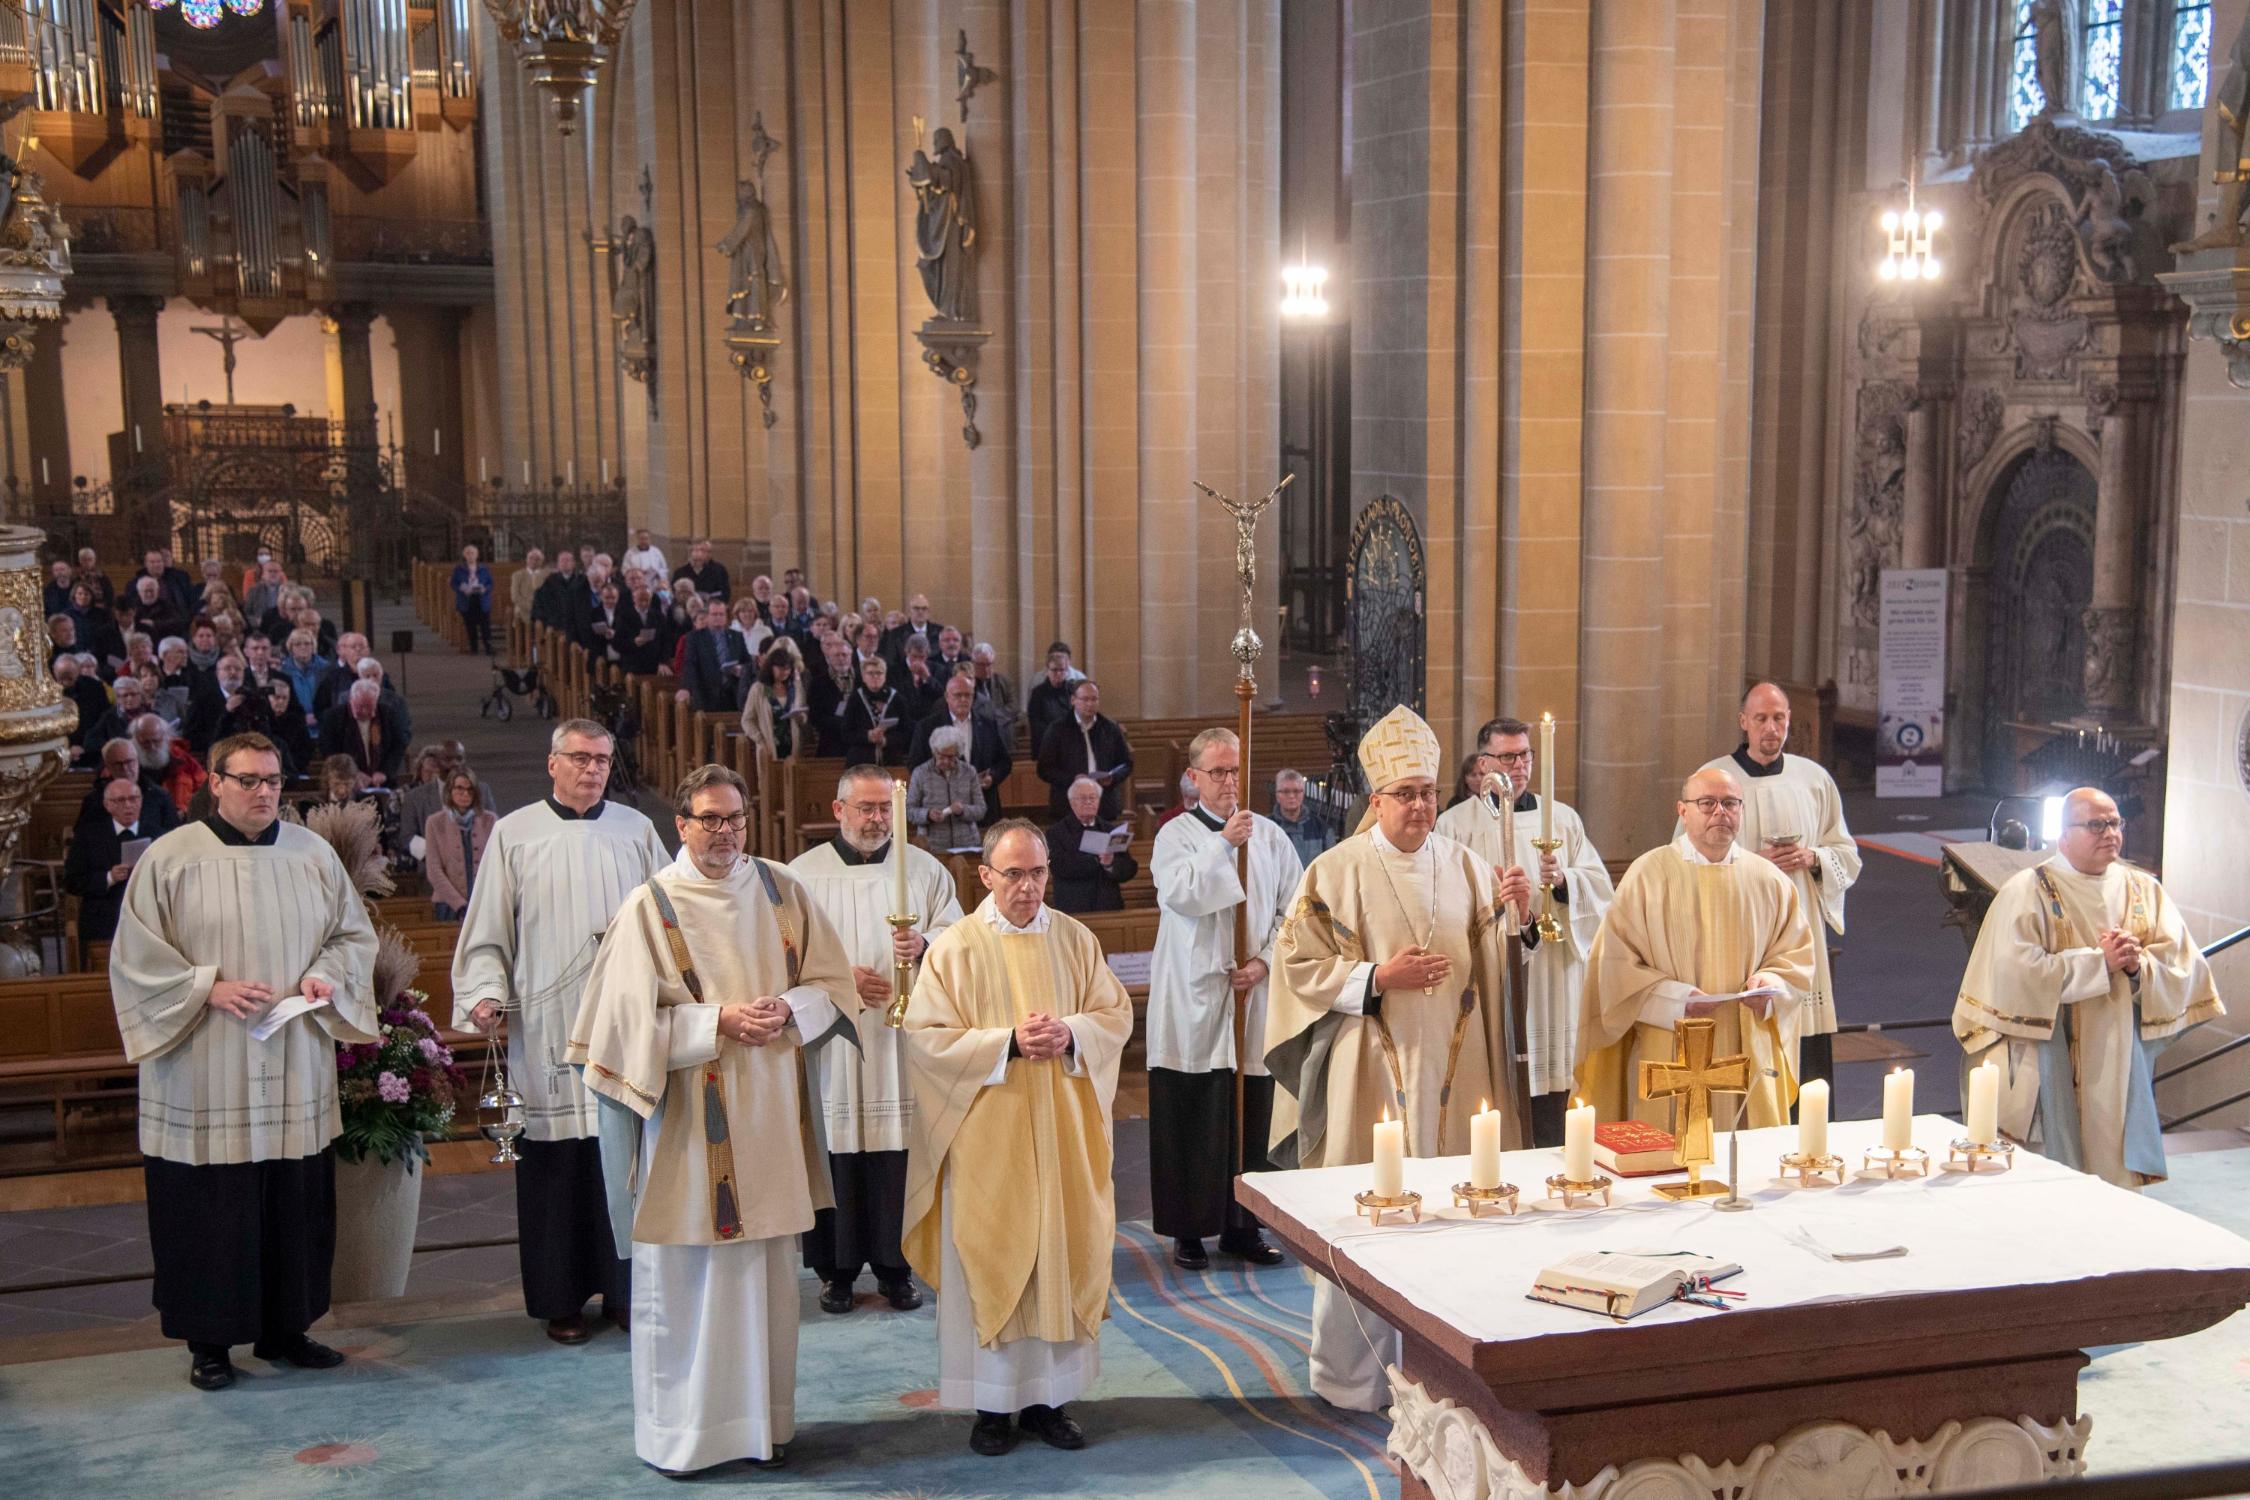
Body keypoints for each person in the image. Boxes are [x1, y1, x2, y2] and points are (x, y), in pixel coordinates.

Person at [572, 763, 856, 1476]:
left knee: (764, 1279)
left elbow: (833, 984)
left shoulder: (783, 891)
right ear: (682, 824)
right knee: (690, 1280)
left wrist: (788, 1009)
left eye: (734, 819)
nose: (724, 833)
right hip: (687, 1123)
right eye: (709, 819)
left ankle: (762, 1427)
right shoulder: (651, 906)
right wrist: (716, 1022)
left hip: (769, 1114)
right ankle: (685, 1438)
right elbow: (617, 1025)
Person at [1263, 705, 1522, 1412]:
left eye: (1428, 793)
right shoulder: (1334, 870)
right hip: (1367, 1068)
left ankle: (1445, 1375)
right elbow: (1296, 965)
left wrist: (1515, 918)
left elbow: (1491, 972)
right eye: (1404, 794)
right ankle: (1353, 1379)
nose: (1419, 806)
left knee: (1451, 1219)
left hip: (1457, 1069)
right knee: (1365, 1220)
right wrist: (1377, 977)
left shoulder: (1468, 866)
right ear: (1374, 800)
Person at [108, 732, 378, 1392]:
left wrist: (324, 975)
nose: (264, 792)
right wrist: (206, 987)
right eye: (249, 780)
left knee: (293, 1199)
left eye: (274, 781)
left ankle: (288, 1330)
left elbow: (352, 936)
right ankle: (210, 1343)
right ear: (217, 784)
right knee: (212, 1207)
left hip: (292, 1057)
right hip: (206, 1061)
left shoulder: (311, 853)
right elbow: (135, 959)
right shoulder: (171, 857)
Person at [900, 818, 1133, 1456]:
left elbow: (1115, 1014)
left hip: (1063, 1136)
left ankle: (1049, 1402)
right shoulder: (956, 948)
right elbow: (925, 1038)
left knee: (1059, 1251)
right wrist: (1005, 1042)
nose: (1028, 888)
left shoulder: (1076, 939)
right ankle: (991, 1407)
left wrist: (1073, 1034)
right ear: (984, 876)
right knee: (995, 1254)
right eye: (1013, 874)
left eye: (1037, 873)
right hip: (988, 1143)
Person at [454, 720, 667, 1345]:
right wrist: (486, 992)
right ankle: (562, 1299)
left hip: (623, 1022)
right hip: (547, 1023)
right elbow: (489, 925)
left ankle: (629, 1290)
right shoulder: (515, 833)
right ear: (553, 763)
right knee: (557, 1164)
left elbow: (670, 914)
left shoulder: (636, 830)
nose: (592, 769)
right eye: (580, 758)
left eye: (603, 759)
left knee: (627, 1158)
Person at [1951, 786, 2223, 1189]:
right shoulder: (2027, 891)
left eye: (2115, 822)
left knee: (2114, 1178)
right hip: (2050, 1058)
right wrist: (2099, 963)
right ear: (2062, 834)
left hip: (2119, 1058)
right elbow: (2011, 975)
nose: (2110, 832)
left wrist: (2137, 968)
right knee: (2051, 1179)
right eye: (2096, 825)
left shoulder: (2143, 890)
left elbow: (2186, 968)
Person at [789, 765, 964, 1316]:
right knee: (833, 1148)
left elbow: (960, 940)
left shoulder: (926, 870)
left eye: (885, 808)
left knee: (898, 1150)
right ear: (838, 810)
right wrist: (843, 979)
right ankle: (835, 1272)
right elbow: (781, 954)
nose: (876, 819)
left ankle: (898, 1266)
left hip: (898, 1041)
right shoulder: (802, 875)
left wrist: (928, 942)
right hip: (832, 1041)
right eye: (865, 808)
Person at [1574, 766, 1818, 1136]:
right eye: (1707, 803)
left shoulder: (1768, 879)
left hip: (1743, 1041)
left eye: (1730, 803)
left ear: (1741, 809)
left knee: (1742, 1161)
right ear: (1682, 811)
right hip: (1669, 1042)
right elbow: (1614, 966)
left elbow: (1796, 956)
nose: (1720, 812)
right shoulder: (1648, 875)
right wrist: (1675, 999)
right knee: (1669, 1153)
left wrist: (1770, 984)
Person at [1146, 728, 1296, 1270]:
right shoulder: (1177, 836)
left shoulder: (1274, 839)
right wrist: (1224, 843)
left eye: (1235, 770)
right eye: (1217, 772)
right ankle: (1189, 1230)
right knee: (1193, 1110)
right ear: (1194, 778)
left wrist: (1262, 964)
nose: (1229, 781)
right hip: (1192, 998)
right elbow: (1181, 895)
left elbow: (1295, 916)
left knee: (1248, 1115)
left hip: (1252, 993)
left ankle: (1244, 1227)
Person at [1435, 717, 1613, 1145]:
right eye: (1508, 756)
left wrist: (1567, 880)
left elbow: (1602, 890)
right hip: (1497, 974)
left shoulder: (1564, 820)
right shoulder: (1457, 825)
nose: (1519, 765)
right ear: (1484, 763)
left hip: (1556, 975)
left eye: (1525, 755)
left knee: (1557, 1088)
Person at [1683, 683, 1859, 1088]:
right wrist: (1750, 864)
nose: (1771, 728)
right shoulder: (1713, 781)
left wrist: (1813, 858)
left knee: (1809, 1068)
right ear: (1743, 722)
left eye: (1779, 718)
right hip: (1742, 932)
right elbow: (1685, 860)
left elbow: (1846, 852)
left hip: (1801, 930)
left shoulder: (1814, 779)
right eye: (1761, 718)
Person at [909, 672, 1012, 824]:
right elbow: (915, 765)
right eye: (958, 695)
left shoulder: (988, 725)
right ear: (947, 696)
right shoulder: (926, 727)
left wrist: (992, 777)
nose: (963, 700)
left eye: (968, 695)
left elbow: (1004, 761)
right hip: (941, 809)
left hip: (982, 805)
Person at [64, 776, 152, 948]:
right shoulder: (88, 836)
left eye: (133, 799)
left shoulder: (158, 834)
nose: (128, 805)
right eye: (120, 800)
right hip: (105, 917)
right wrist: (109, 877)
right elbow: (72, 882)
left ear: (141, 801)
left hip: (148, 917)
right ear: (107, 805)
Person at [1036, 679, 1133, 821]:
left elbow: (1126, 763)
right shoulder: (1057, 729)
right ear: (1073, 700)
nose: (1090, 704)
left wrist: (1113, 777)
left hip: (1104, 804)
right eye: (1085, 699)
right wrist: (1072, 779)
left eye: (1094, 699)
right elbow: (1044, 769)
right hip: (1068, 806)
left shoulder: (1110, 728)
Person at [1045, 776, 1138, 913]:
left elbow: (1129, 869)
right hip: (1074, 908)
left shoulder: (1110, 830)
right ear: (1072, 802)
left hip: (1109, 907)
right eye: (1083, 798)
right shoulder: (1056, 833)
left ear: (1099, 802)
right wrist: (1096, 860)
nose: (1088, 802)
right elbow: (1060, 867)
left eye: (1093, 798)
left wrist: (1110, 864)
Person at [424, 769, 494, 922]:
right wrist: (460, 904)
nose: (465, 794)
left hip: (484, 903)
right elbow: (434, 870)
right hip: (449, 905)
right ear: (449, 790)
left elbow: (496, 865)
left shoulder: (489, 820)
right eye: (460, 788)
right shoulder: (435, 822)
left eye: (470, 789)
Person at [317, 680, 405, 788]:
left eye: (369, 706)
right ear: (351, 699)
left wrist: (384, 772)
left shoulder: (387, 714)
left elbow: (398, 745)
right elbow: (328, 749)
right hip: (346, 782)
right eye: (360, 706)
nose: (364, 711)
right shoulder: (333, 717)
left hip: (383, 782)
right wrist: (353, 772)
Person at [908, 726, 984, 851]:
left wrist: (962, 811)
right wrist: (928, 814)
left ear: (958, 754)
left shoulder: (969, 772)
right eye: (941, 756)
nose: (945, 761)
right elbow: (909, 810)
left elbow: (981, 809)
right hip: (932, 846)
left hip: (967, 844)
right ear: (934, 751)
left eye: (950, 757)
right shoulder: (920, 773)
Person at [674, 598, 745, 713]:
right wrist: (685, 687)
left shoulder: (737, 636)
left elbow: (746, 662)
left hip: (734, 694)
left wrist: (741, 669)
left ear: (726, 617)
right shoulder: (694, 638)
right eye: (714, 614)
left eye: (721, 614)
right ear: (707, 617)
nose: (718, 617)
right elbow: (689, 665)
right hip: (706, 695)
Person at [841, 654, 909, 766]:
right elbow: (846, 733)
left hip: (891, 759)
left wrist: (886, 740)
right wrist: (868, 735)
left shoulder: (897, 699)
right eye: (871, 673)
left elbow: (906, 731)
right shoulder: (855, 699)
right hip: (860, 760)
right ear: (863, 677)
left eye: (879, 673)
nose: (875, 677)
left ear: (885, 676)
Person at [742, 649, 808, 763]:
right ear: (771, 667)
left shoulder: (795, 687)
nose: (785, 672)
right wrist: (761, 741)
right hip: (768, 747)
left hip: (793, 747)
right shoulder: (760, 688)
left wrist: (800, 716)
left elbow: (803, 717)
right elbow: (747, 720)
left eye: (788, 669)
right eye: (781, 669)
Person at [133, 714, 208, 815]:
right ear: (136, 741)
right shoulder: (127, 763)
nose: (152, 747)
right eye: (146, 742)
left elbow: (205, 786)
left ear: (165, 737)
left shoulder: (181, 758)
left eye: (156, 741)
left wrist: (189, 810)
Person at [1270, 768, 1334, 866]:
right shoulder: (1267, 829)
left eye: (1296, 791)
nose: (1291, 796)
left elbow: (1332, 865)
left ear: (1303, 794)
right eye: (1286, 791)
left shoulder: (1322, 829)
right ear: (1277, 795)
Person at [810, 634, 860, 756]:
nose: (841, 658)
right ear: (828, 658)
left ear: (851, 657)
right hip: (831, 744)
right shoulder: (818, 683)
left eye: (844, 655)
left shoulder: (862, 680)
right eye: (836, 655)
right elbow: (815, 717)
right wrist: (843, 723)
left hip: (858, 743)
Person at [1023, 646, 1080, 751]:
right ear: (1048, 670)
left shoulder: (1073, 691)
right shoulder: (1038, 693)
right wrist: (1056, 734)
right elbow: (1035, 722)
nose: (1058, 674)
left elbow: (1079, 716)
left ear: (1067, 671)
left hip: (1071, 744)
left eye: (1062, 670)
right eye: (1054, 670)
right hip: (1046, 744)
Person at [452, 544, 496, 655]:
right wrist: (462, 589)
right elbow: (454, 583)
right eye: (468, 553)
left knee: (485, 625)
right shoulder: (459, 569)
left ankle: (488, 647)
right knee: (470, 625)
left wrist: (485, 589)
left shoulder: (484, 568)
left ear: (477, 555)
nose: (470, 556)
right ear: (464, 555)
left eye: (472, 553)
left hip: (481, 599)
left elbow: (490, 583)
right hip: (467, 599)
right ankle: (474, 648)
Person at [532, 549, 588, 635]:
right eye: (562, 560)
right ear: (558, 564)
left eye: (568, 560)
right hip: (555, 623)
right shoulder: (550, 581)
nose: (564, 563)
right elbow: (540, 602)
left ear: (573, 563)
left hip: (577, 623)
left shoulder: (582, 580)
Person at [671, 537, 729, 602]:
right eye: (695, 550)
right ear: (690, 553)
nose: (699, 554)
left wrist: (710, 599)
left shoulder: (715, 572)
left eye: (702, 551)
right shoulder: (680, 573)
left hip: (709, 608)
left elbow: (725, 594)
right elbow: (673, 594)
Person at [511, 548, 550, 628]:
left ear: (541, 561)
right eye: (531, 558)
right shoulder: (517, 575)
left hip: (543, 611)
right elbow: (515, 597)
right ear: (526, 559)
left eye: (537, 559)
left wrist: (541, 609)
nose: (534, 561)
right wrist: (532, 608)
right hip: (524, 610)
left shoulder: (547, 575)